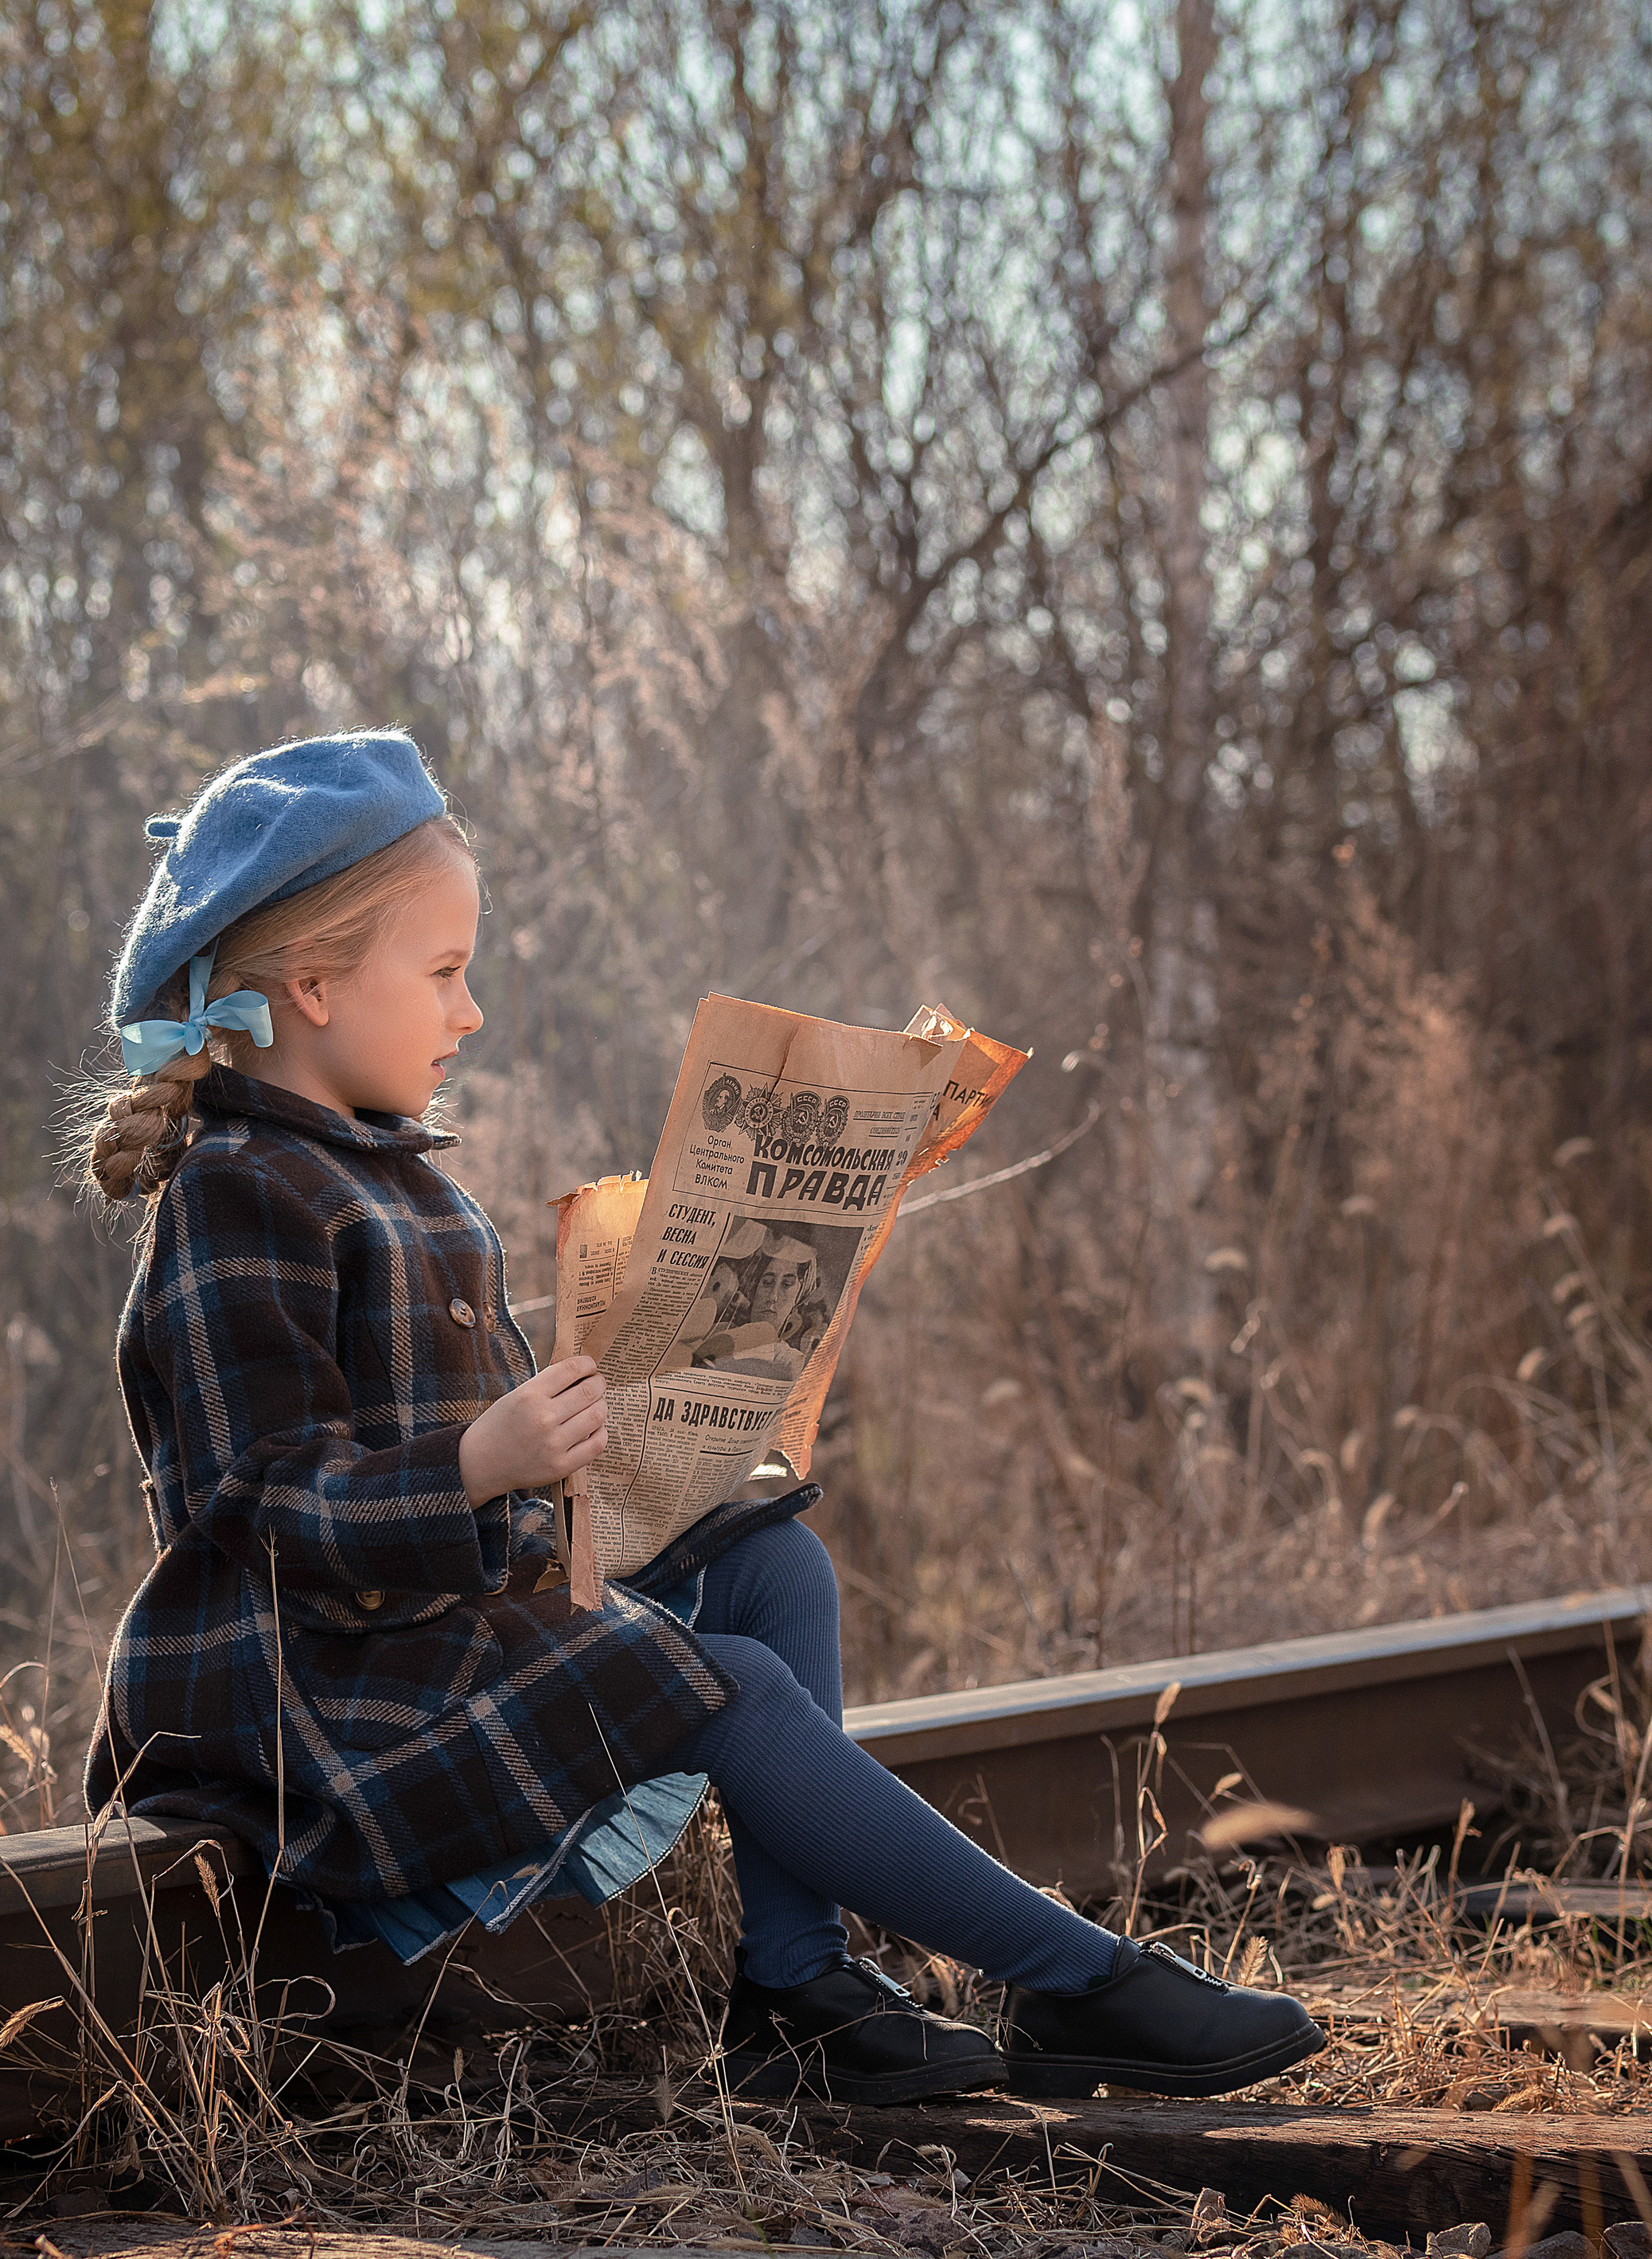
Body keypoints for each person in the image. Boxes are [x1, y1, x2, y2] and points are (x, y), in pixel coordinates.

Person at [81, 731, 1324, 2107]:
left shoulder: (402, 1179)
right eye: (442, 975)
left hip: (435, 1620)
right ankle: (1081, 1984)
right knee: (711, 1680)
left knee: (769, 1561)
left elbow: (455, 1452)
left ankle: (796, 1988)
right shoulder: (239, 1190)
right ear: (310, 984)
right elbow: (249, 1511)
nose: (470, 1012)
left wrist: (640, 1421)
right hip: (312, 1694)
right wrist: (482, 1462)